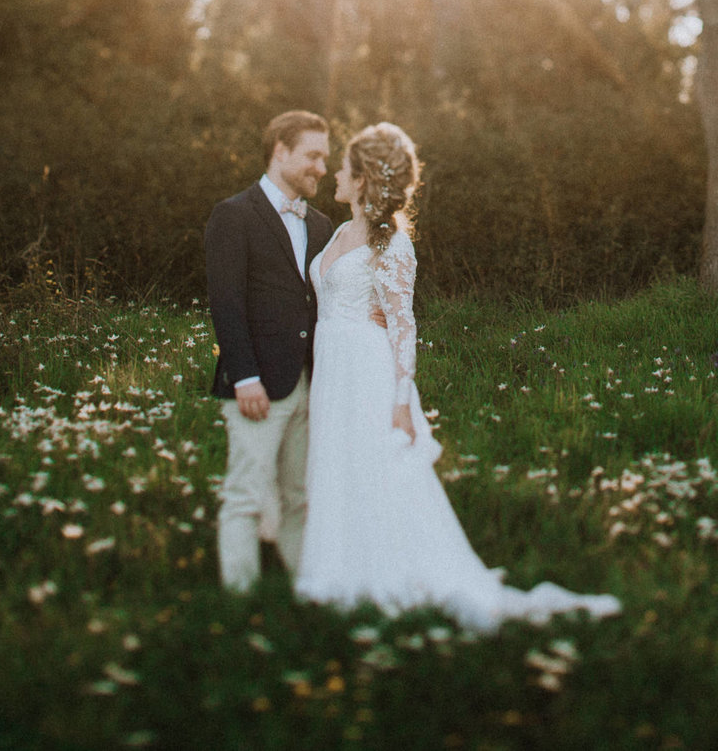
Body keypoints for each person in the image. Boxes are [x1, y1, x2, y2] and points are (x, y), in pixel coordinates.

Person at [294, 122, 621, 632]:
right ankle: (340, 567)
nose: (335, 171)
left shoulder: (391, 243)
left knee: (377, 466)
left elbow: (403, 326)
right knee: (340, 463)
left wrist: (402, 402)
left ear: (361, 179)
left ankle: (389, 573)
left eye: (344, 166)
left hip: (367, 369)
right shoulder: (340, 231)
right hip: (333, 367)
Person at [205, 110, 335, 593]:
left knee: (299, 496)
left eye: (325, 157)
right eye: (313, 156)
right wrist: (243, 378)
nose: (322, 167)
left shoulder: (322, 225)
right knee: (244, 493)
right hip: (257, 384)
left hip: (309, 382)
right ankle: (238, 602)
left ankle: (306, 590)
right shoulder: (233, 215)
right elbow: (227, 304)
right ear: (280, 150)